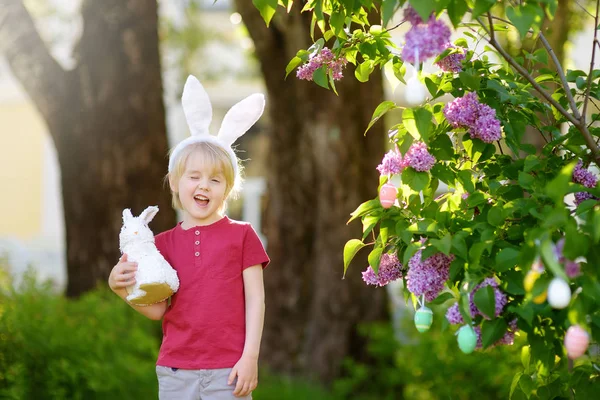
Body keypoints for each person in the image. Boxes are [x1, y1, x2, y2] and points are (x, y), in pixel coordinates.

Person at [108, 75, 269, 400]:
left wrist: (250, 356)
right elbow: (158, 310)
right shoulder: (161, 245)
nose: (203, 186)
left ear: (228, 188)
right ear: (175, 182)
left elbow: (256, 300)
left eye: (214, 180)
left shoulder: (242, 235)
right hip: (176, 370)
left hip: (229, 370)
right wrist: (119, 287)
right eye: (193, 176)